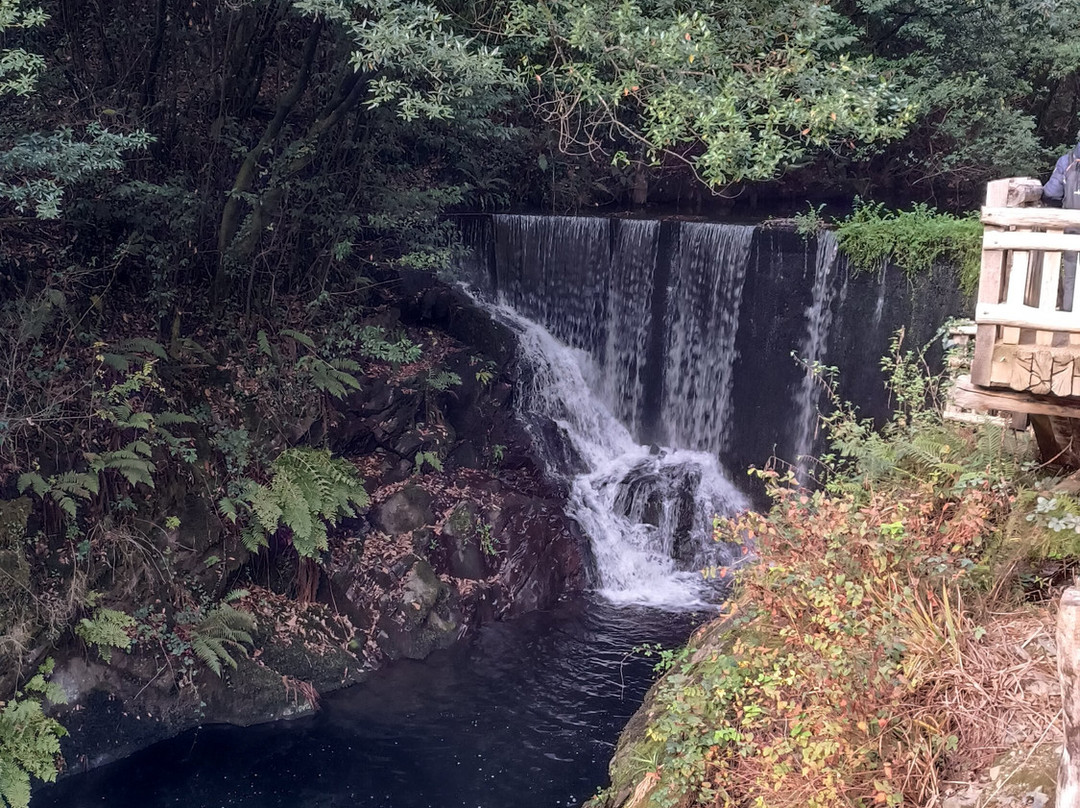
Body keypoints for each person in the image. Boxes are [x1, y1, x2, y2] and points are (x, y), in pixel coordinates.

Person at [1043, 141, 1080, 309]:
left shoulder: (1066, 161)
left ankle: (1069, 318)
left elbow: (1052, 193)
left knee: (1071, 277)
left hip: (1072, 231)